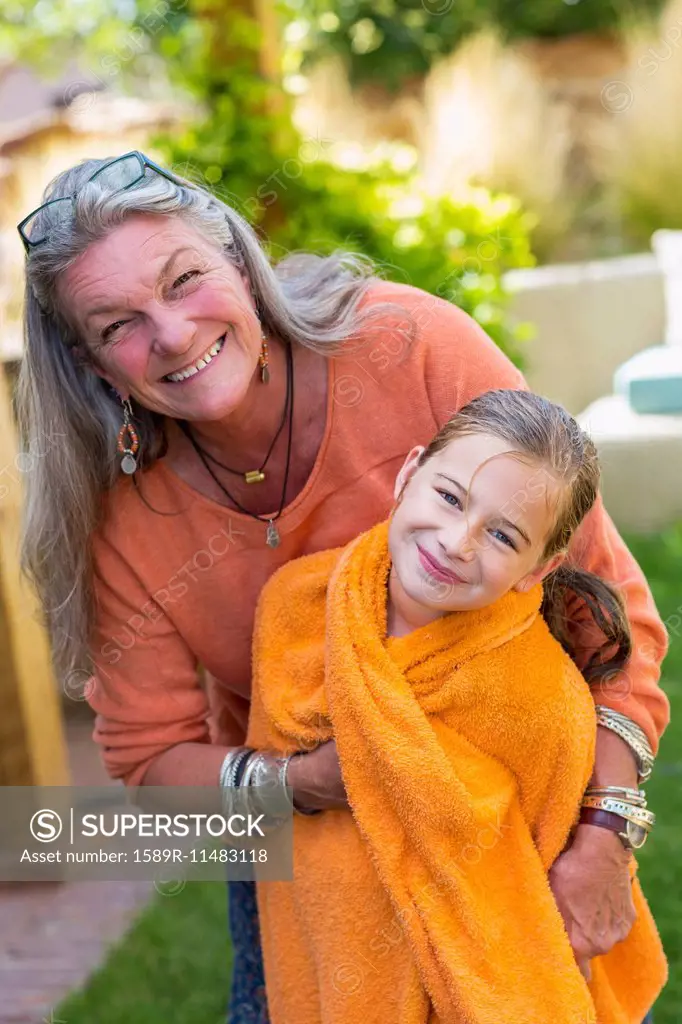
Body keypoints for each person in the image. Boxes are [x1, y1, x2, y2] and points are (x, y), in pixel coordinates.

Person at [16, 151, 668, 1024]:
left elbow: (608, 614)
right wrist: (313, 780)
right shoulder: (119, 517)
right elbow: (152, 767)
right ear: (94, 365)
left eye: (185, 281)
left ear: (243, 264)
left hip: (513, 817)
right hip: (308, 849)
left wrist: (603, 835)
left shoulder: (411, 349)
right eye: (117, 325)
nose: (170, 335)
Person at [244, 388, 667, 1023]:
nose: (458, 542)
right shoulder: (297, 607)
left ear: (537, 568)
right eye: (449, 497)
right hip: (320, 952)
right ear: (409, 473)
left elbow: (537, 914)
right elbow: (266, 808)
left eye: (503, 534)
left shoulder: (541, 705)